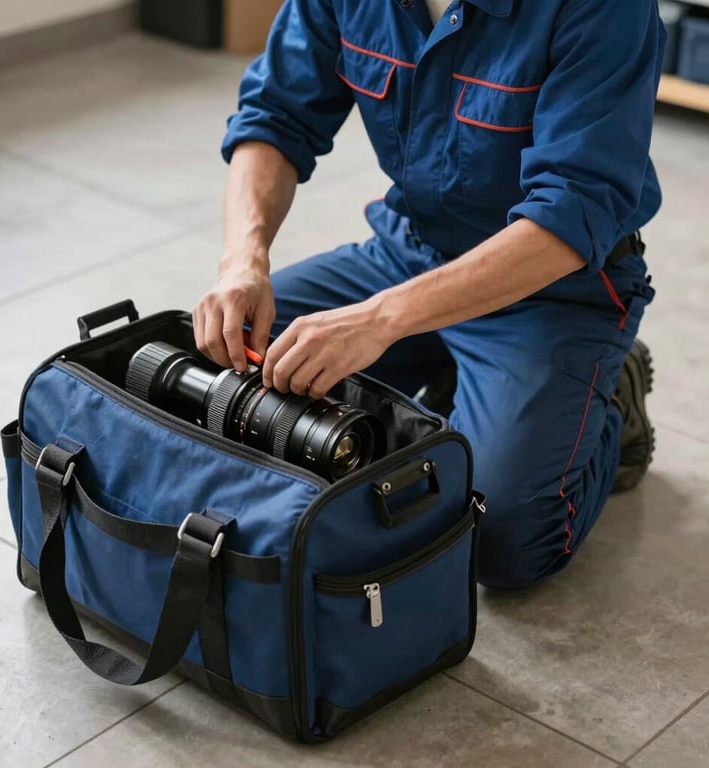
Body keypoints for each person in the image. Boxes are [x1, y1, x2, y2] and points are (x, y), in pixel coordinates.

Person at [192, 0, 664, 589]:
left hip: (552, 291)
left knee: (495, 535)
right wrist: (243, 260)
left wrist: (379, 320)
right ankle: (455, 379)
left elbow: (573, 211)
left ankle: (608, 400)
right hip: (409, 254)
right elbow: (275, 115)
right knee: (224, 370)